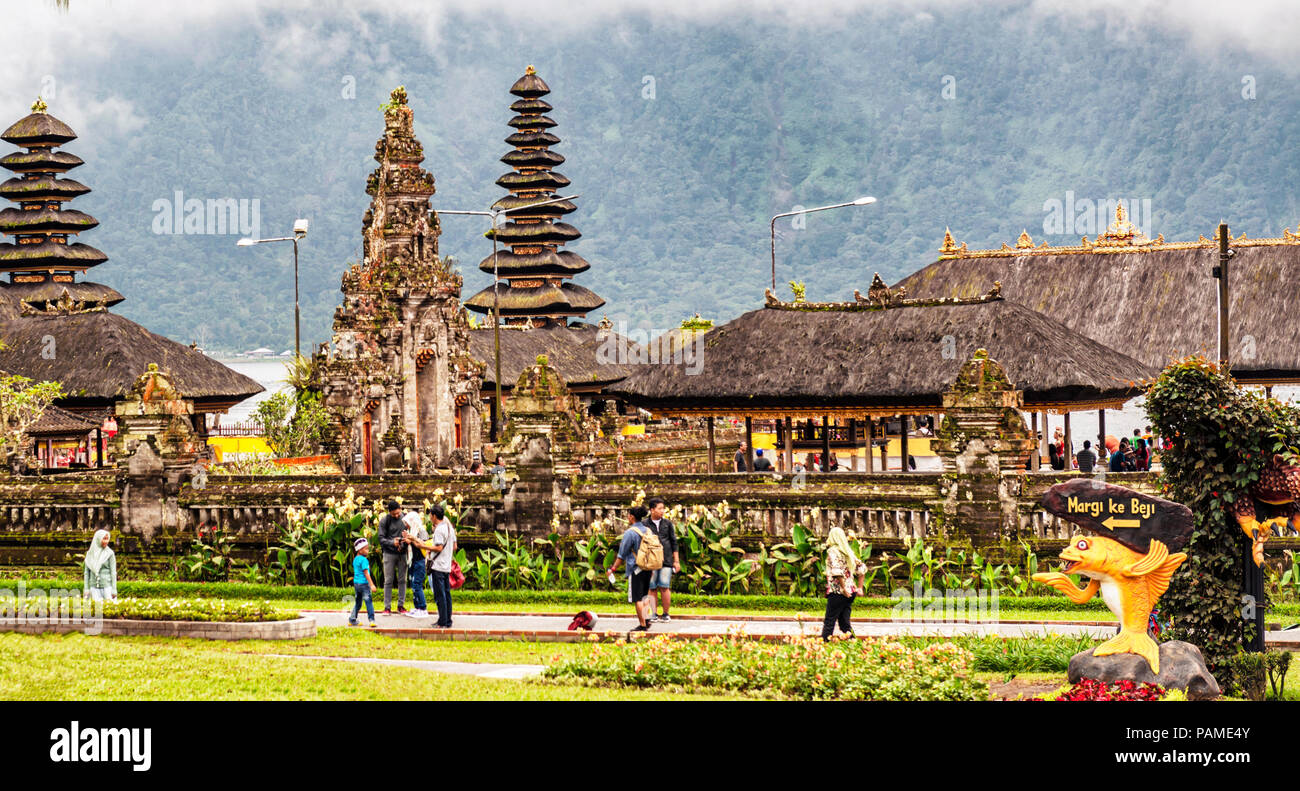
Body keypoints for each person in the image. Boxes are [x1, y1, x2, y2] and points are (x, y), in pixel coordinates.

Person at [606, 505, 654, 631]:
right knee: (645, 596)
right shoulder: (648, 531)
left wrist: (613, 569)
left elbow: (621, 555)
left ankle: (643, 625)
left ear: (632, 517)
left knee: (637, 598)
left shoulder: (630, 533)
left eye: (628, 515)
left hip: (636, 568)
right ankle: (647, 619)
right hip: (649, 567)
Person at [821, 526, 866, 641]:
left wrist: (843, 589)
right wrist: (860, 588)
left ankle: (823, 644)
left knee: (829, 621)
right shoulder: (848, 552)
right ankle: (854, 642)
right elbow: (862, 569)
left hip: (838, 591)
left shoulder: (832, 552)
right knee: (844, 622)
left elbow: (837, 572)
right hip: (851, 591)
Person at [643, 497, 680, 622]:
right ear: (652, 510)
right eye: (660, 508)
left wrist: (676, 561)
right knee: (652, 587)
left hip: (666, 560)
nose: (662, 511)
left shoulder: (667, 524)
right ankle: (653, 613)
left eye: (663, 508)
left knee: (664, 586)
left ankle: (665, 614)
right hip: (651, 560)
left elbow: (674, 542)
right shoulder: (644, 524)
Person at [425, 503, 457, 628]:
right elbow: (454, 546)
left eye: (430, 515)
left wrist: (423, 545)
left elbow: (438, 547)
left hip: (438, 566)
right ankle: (447, 620)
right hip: (446, 565)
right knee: (446, 594)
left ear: (433, 516)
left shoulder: (439, 529)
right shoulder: (449, 528)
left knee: (440, 595)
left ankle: (442, 621)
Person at [376, 500, 408, 614]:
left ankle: (401, 605)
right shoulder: (385, 521)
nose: (396, 515)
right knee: (388, 580)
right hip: (389, 553)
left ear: (401, 509)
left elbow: (410, 536)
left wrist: (402, 545)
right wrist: (391, 542)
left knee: (402, 580)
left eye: (398, 513)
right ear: (389, 512)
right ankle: (387, 607)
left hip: (402, 553)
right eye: (394, 514)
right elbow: (381, 539)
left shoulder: (405, 519)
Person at [401, 506, 429, 618]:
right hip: (413, 561)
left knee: (417, 584)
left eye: (407, 523)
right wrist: (406, 541)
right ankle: (417, 607)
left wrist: (411, 540)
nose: (406, 525)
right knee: (413, 585)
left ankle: (423, 608)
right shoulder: (411, 532)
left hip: (420, 561)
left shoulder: (422, 531)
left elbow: (424, 545)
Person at [349, 538, 378, 627]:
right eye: (366, 549)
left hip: (356, 584)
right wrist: (372, 584)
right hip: (364, 584)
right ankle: (372, 620)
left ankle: (352, 619)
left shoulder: (355, 559)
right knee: (368, 602)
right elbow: (366, 573)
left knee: (358, 602)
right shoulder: (364, 560)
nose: (368, 551)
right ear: (360, 550)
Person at [83, 529, 117, 602]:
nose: (106, 541)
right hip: (94, 588)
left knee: (109, 609)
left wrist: (114, 589)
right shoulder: (90, 554)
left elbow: (113, 572)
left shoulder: (110, 553)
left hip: (107, 587)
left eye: (107, 539)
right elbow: (86, 573)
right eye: (104, 539)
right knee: (97, 611)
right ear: (98, 539)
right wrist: (86, 588)